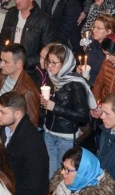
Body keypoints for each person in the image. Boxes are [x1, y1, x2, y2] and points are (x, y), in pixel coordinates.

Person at [40, 44, 95, 175]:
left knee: (63, 175)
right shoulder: (51, 78)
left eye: (54, 63)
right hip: (48, 132)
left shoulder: (76, 84)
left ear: (65, 63)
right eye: (49, 61)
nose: (49, 66)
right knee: (50, 174)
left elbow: (82, 116)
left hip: (65, 137)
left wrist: (54, 107)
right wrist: (43, 103)